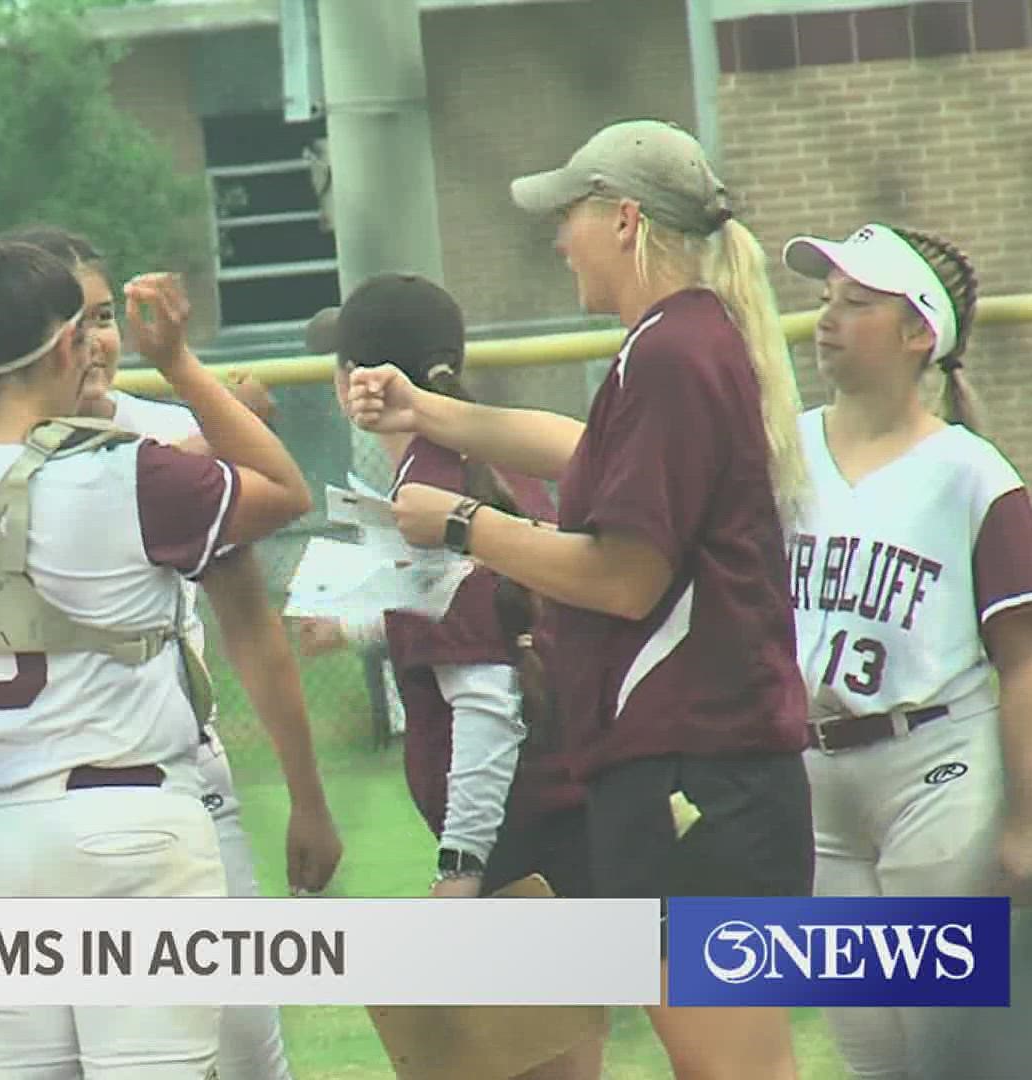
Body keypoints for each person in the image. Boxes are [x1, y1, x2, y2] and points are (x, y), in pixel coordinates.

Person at [346, 119, 812, 1079]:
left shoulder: (673, 353)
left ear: (628, 221)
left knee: (729, 1066)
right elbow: (577, 450)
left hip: (698, 771)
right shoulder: (676, 342)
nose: (561, 241)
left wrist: (468, 525)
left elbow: (625, 574)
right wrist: (423, 410)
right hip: (706, 766)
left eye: (574, 217)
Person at [0, 238, 312, 1078]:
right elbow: (285, 489)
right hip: (123, 824)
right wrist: (178, 363)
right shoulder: (131, 472)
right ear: (72, 347)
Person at [5, 224, 341, 1080]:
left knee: (244, 1052)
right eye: (72, 321)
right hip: (23, 798)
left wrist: (307, 794)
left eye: (105, 314)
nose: (96, 341)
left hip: (176, 783)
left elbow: (251, 629)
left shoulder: (163, 433)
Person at [300, 274, 603, 1080]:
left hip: (520, 830)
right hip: (563, 807)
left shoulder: (434, 491)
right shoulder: (492, 461)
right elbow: (485, 614)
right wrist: (360, 621)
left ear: (361, 382)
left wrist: (461, 868)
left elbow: (487, 700)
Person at [780, 223, 1032, 1079]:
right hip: (813, 775)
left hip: (935, 765)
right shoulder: (779, 452)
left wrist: (1024, 824)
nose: (828, 319)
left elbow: (1023, 663)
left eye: (856, 304)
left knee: (945, 1038)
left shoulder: (971, 472)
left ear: (918, 337)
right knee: (868, 1045)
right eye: (825, 301)